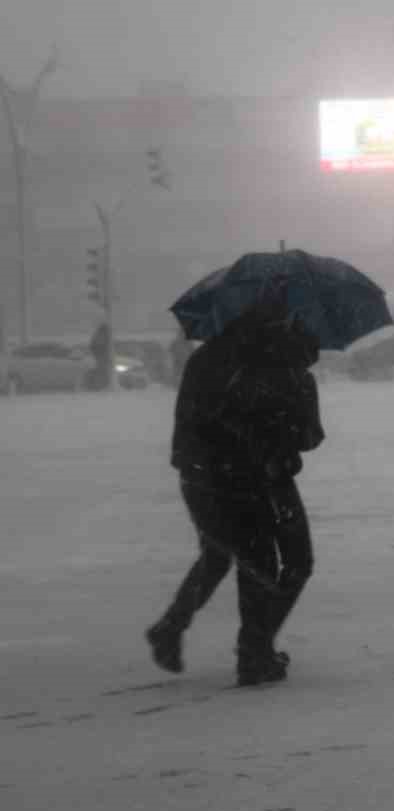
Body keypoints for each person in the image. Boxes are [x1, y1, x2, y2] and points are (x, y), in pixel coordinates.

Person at [145, 282, 325, 686]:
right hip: (256, 478)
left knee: (224, 557)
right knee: (278, 563)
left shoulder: (210, 357)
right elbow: (307, 437)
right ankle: (253, 651)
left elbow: (192, 423)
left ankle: (178, 629)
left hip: (202, 476)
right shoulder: (281, 367)